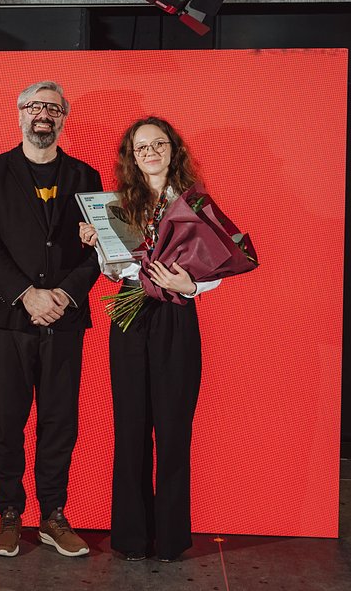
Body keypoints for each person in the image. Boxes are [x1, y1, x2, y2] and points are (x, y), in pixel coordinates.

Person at [0, 81, 103, 557]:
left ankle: (53, 515)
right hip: (7, 318)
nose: (42, 114)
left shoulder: (86, 175)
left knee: (59, 420)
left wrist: (63, 294)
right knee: (7, 420)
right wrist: (27, 294)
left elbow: (101, 246)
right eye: (34, 106)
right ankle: (9, 513)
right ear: (19, 113)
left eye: (52, 108)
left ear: (64, 118)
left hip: (65, 317)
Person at [78, 116, 219, 562]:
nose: (151, 152)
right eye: (141, 148)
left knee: (174, 429)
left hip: (176, 313)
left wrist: (190, 286)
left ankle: (172, 539)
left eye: (158, 144)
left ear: (173, 150)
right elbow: (115, 271)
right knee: (131, 427)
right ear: (132, 158)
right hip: (130, 313)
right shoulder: (118, 205)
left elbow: (218, 262)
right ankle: (132, 538)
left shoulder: (194, 203)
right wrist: (98, 244)